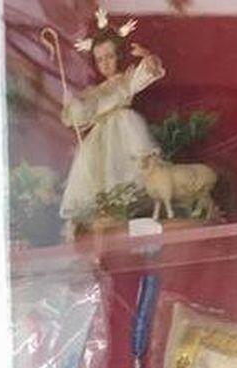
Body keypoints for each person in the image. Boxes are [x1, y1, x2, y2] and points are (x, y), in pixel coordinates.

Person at [58, 22, 165, 239]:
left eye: (110, 57)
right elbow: (82, 116)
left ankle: (127, 210)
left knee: (126, 169)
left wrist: (146, 56)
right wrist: (72, 104)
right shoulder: (94, 92)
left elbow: (150, 71)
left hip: (125, 130)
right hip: (100, 137)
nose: (105, 64)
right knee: (98, 172)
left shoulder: (126, 80)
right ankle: (108, 211)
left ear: (119, 56)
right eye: (99, 60)